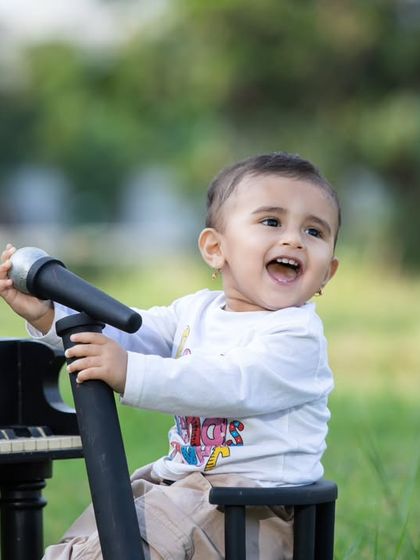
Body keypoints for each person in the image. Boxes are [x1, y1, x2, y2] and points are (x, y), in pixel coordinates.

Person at [0, 152, 340, 560]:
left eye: (314, 231)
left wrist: (129, 372)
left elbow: (228, 383)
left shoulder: (297, 338)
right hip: (185, 490)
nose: (293, 239)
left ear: (327, 272)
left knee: (129, 544)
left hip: (254, 513)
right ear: (216, 248)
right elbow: (129, 332)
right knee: (96, 536)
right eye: (271, 221)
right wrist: (53, 316)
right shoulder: (194, 312)